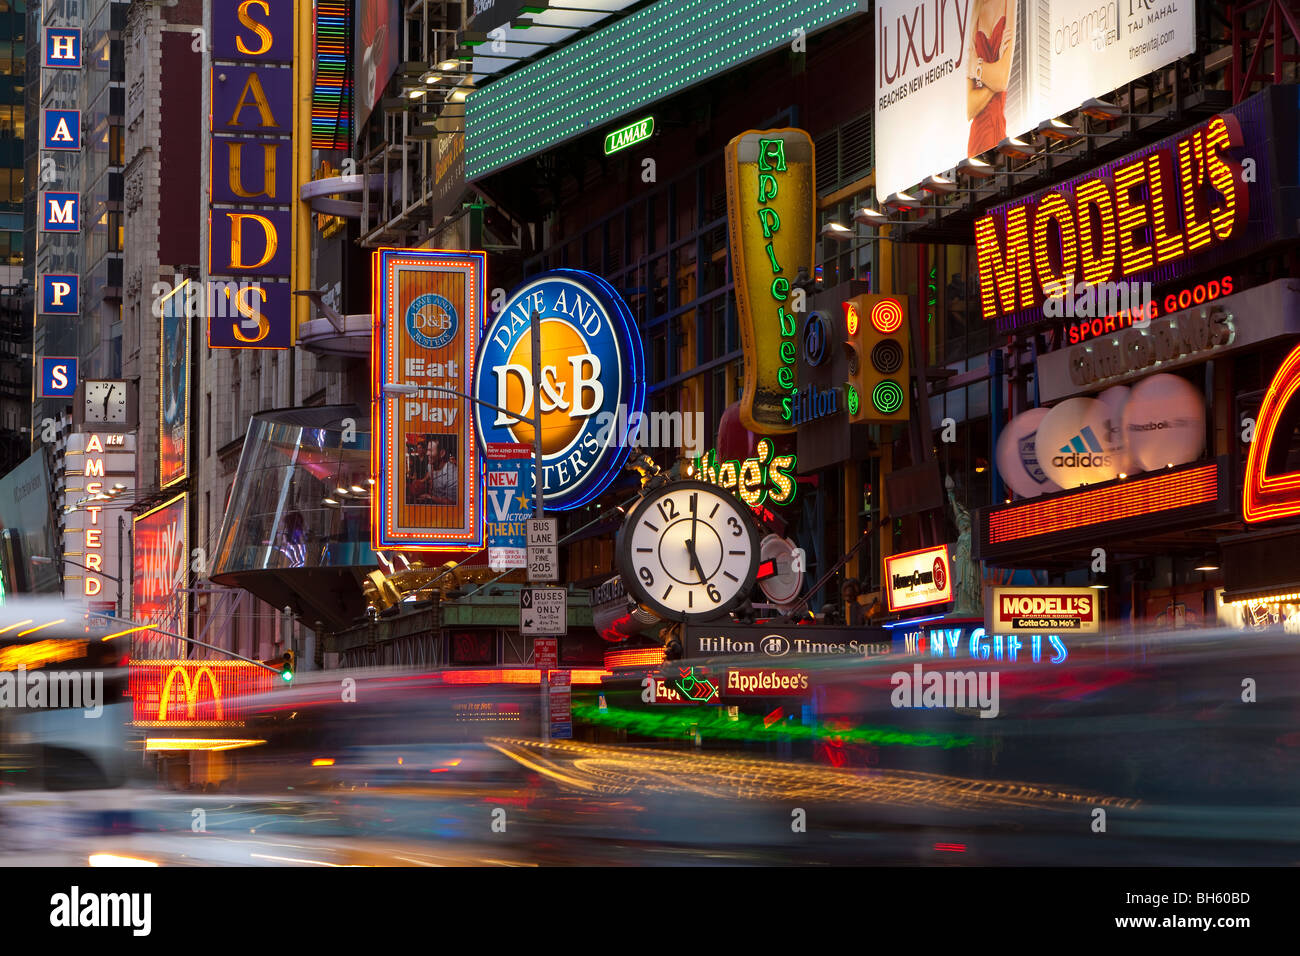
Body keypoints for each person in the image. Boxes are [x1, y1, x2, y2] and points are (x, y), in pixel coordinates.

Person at [967, 0, 1016, 158]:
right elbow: (970, 109)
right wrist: (994, 74)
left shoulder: (1009, 3)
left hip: (997, 133)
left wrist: (977, 67)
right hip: (977, 139)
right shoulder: (975, 14)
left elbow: (1002, 80)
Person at [409, 437, 457, 505]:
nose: (427, 453)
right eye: (427, 450)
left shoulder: (453, 475)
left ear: (442, 453)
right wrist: (422, 481)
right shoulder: (430, 465)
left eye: (430, 450)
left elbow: (452, 502)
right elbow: (430, 473)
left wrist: (429, 497)